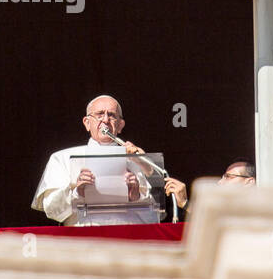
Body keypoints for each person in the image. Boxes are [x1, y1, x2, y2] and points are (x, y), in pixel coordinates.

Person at [31, 95, 150, 225]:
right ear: (87, 123)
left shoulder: (138, 160)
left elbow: (155, 216)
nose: (105, 120)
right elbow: (52, 210)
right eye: (99, 114)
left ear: (120, 125)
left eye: (111, 115)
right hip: (83, 240)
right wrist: (78, 192)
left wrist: (136, 197)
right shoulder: (62, 158)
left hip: (127, 239)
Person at [164, 159, 256, 216]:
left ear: (249, 182)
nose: (220, 182)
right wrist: (184, 203)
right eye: (223, 177)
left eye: (228, 177)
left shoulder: (256, 209)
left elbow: (219, 221)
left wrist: (185, 203)